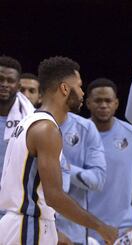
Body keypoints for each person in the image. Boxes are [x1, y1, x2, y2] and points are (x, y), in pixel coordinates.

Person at [0, 56, 117, 244]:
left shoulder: (28, 121)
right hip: (28, 226)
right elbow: (54, 196)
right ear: (64, 89)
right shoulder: (47, 129)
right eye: (79, 86)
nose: (81, 93)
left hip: (24, 223)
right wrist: (100, 226)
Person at [86, 78, 132, 244]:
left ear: (116, 103)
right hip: (83, 231)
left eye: (108, 100)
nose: (103, 105)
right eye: (98, 100)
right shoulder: (75, 137)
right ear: (88, 103)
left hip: (125, 232)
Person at [55, 109, 107, 243]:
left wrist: (63, 167)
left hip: (74, 233)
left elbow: (98, 181)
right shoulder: (30, 123)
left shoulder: (85, 128)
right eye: (79, 86)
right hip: (37, 228)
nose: (82, 91)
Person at [0, 56, 35, 219]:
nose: (4, 84)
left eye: (10, 80)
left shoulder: (32, 119)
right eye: (0, 79)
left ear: (18, 86)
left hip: (15, 207)